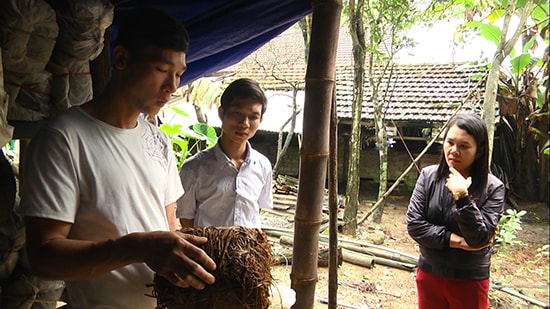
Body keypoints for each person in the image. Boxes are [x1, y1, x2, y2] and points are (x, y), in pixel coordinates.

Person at [17, 8, 216, 308]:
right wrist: (136, 248)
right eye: (162, 69)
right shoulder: (63, 140)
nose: (172, 86)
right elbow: (44, 258)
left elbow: (170, 227)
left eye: (178, 74)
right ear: (121, 59)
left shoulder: (159, 141)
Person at [406, 111, 505, 309]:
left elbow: (479, 237)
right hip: (429, 273)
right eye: (450, 143)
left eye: (464, 146)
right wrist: (458, 241)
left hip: (470, 279)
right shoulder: (428, 177)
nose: (454, 151)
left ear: (479, 151)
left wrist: (462, 197)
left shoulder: (493, 188)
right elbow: (415, 225)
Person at [177, 78, 273, 229]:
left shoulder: (262, 166)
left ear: (260, 120)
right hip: (207, 251)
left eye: (253, 117)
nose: (245, 123)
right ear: (221, 113)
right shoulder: (193, 169)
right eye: (237, 113)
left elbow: (256, 210)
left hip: (249, 251)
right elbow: (186, 220)